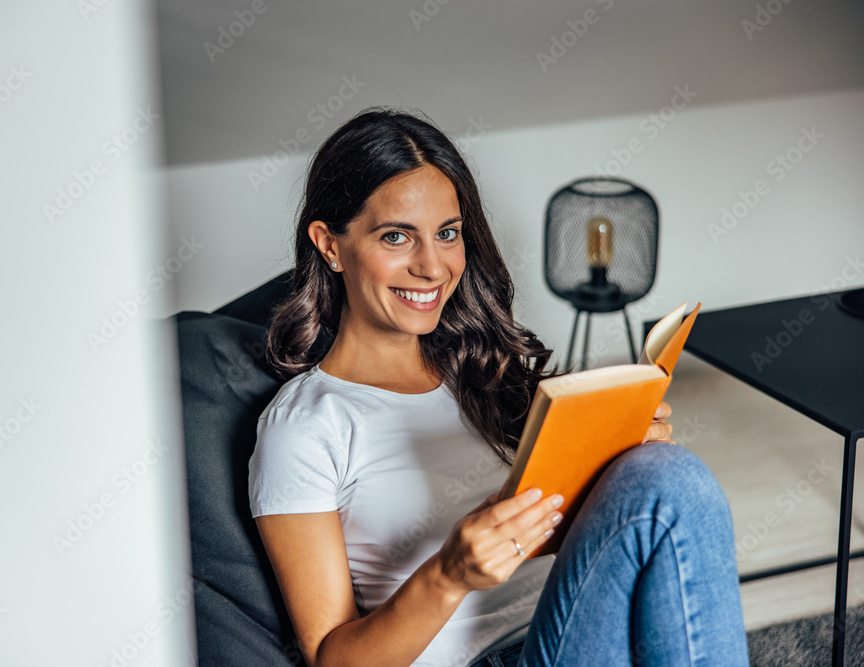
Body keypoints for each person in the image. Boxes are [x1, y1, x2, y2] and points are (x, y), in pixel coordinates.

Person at [248, 107, 748, 666]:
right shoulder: (306, 426)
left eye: (447, 234)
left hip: (575, 628)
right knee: (669, 480)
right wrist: (447, 575)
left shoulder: (481, 371)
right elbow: (331, 658)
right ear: (330, 245)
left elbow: (554, 534)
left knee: (660, 472)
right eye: (396, 237)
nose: (433, 267)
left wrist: (616, 458)